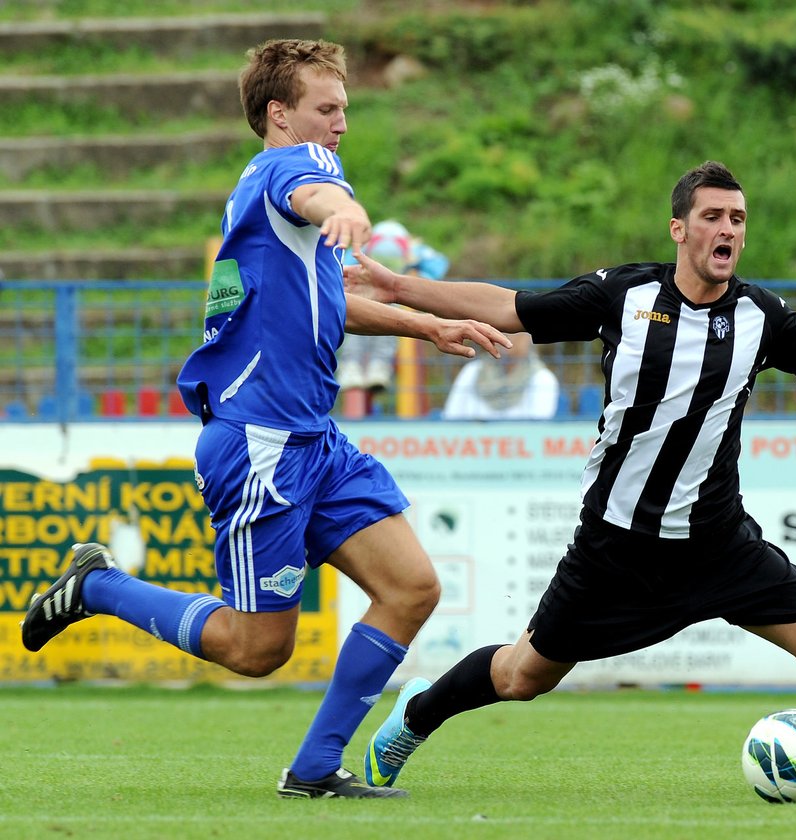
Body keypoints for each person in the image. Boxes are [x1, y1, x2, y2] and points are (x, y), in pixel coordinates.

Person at [344, 161, 796, 791]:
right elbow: (509, 306)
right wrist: (402, 288)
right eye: (713, 216)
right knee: (522, 676)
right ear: (680, 229)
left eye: (737, 218)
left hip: (719, 544)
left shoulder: (760, 317)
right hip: (616, 546)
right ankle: (416, 715)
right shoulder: (624, 295)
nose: (727, 229)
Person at [20, 38, 509, 800]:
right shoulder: (295, 170)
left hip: (315, 439)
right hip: (262, 447)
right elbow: (321, 195)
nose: (341, 123)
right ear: (280, 115)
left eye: (345, 108)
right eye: (327, 108)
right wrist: (342, 205)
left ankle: (316, 768)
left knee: (412, 587)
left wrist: (427, 327)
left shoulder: (274, 210)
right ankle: (100, 587)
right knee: (257, 652)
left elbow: (328, 301)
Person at [337, 219, 451, 393]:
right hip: (369, 296)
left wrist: (419, 277)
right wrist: (423, 277)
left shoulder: (412, 251)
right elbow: (438, 264)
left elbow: (341, 267)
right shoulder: (415, 251)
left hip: (391, 299)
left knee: (386, 325)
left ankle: (371, 365)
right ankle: (356, 365)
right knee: (367, 326)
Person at [443, 331, 560, 420]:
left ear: (528, 338)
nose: (505, 337)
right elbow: (451, 416)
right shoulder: (472, 371)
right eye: (501, 331)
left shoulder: (542, 378)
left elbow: (538, 428)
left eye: (513, 333)